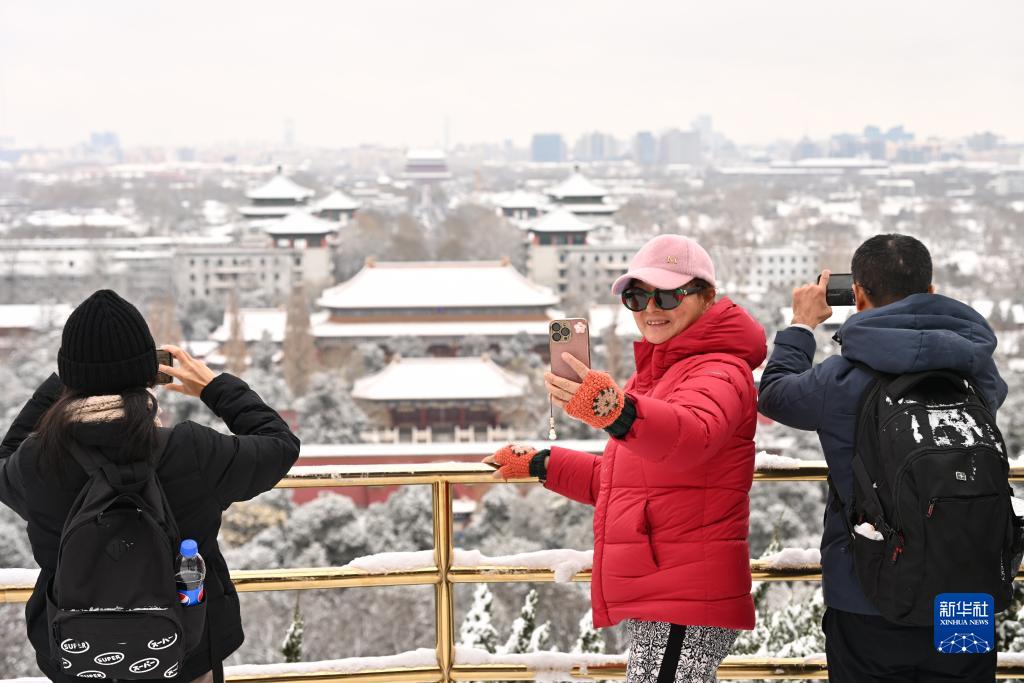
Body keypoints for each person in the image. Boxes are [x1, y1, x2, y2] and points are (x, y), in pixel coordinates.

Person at [483, 235, 767, 683]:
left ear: (707, 297)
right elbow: (626, 485)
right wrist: (544, 462)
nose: (652, 308)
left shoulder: (719, 369)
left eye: (670, 294)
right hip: (666, 589)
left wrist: (615, 409)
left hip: (688, 593)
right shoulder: (658, 374)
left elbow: (690, 435)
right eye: (637, 296)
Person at [0, 290, 301, 683]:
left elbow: (5, 456)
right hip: (186, 647)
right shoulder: (192, 451)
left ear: (69, 376)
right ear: (148, 373)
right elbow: (280, 445)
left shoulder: (38, 461)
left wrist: (66, 381)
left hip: (77, 652)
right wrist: (213, 386)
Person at [757, 234, 1007, 682]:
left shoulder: (841, 378)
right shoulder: (975, 367)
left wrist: (800, 324)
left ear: (856, 295)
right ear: (930, 293)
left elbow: (775, 395)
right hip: (964, 590)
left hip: (868, 591)